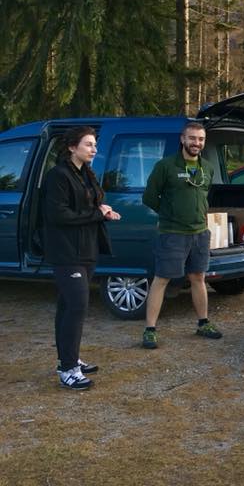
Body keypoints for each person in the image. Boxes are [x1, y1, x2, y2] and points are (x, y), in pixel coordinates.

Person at [41, 127, 121, 389]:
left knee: (67, 306)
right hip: (66, 251)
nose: (94, 149)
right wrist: (97, 214)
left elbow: (88, 205)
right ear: (72, 147)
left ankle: (68, 358)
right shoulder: (58, 175)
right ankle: (68, 370)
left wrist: (103, 210)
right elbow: (58, 215)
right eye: (88, 144)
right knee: (77, 305)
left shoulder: (86, 173)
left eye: (95, 145)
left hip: (87, 249)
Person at [141, 121, 222, 349]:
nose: (197, 143)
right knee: (161, 279)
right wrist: (170, 214)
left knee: (198, 278)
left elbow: (204, 196)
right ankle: (150, 330)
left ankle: (203, 323)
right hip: (172, 233)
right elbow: (149, 197)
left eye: (201, 139)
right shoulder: (165, 166)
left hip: (200, 233)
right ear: (182, 139)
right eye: (192, 138)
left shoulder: (207, 168)